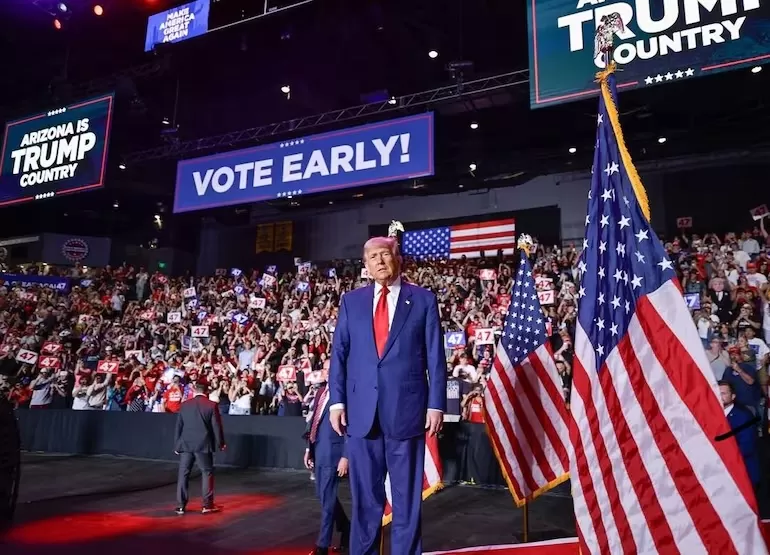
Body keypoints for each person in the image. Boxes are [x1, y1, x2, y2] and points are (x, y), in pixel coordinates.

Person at [328, 236, 446, 555]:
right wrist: (337, 401)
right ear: (365, 266)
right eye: (372, 257)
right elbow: (339, 353)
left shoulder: (422, 299)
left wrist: (436, 404)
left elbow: (435, 357)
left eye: (385, 254)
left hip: (406, 413)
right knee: (366, 502)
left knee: (407, 502)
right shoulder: (351, 302)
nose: (379, 261)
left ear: (398, 258)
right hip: (361, 415)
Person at [304, 380, 350, 555]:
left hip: (334, 453)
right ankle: (346, 528)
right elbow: (313, 421)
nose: (327, 373)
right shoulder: (321, 392)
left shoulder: (345, 394)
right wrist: (309, 448)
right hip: (319, 451)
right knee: (322, 495)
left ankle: (322, 545)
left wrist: (346, 456)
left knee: (328, 498)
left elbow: (349, 427)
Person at [173, 382, 226, 515]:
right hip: (203, 445)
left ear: (194, 391)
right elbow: (216, 426)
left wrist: (177, 445)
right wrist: (221, 443)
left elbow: (178, 426)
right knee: (207, 472)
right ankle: (207, 505)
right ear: (206, 391)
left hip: (186, 444)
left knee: (183, 474)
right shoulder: (211, 405)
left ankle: (180, 506)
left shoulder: (185, 405)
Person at [718, 381, 760, 489]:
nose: (719, 396)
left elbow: (746, 447)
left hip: (743, 473)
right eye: (717, 393)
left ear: (733, 396)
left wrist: (720, 456)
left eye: (723, 393)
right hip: (722, 474)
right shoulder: (713, 415)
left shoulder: (743, 416)